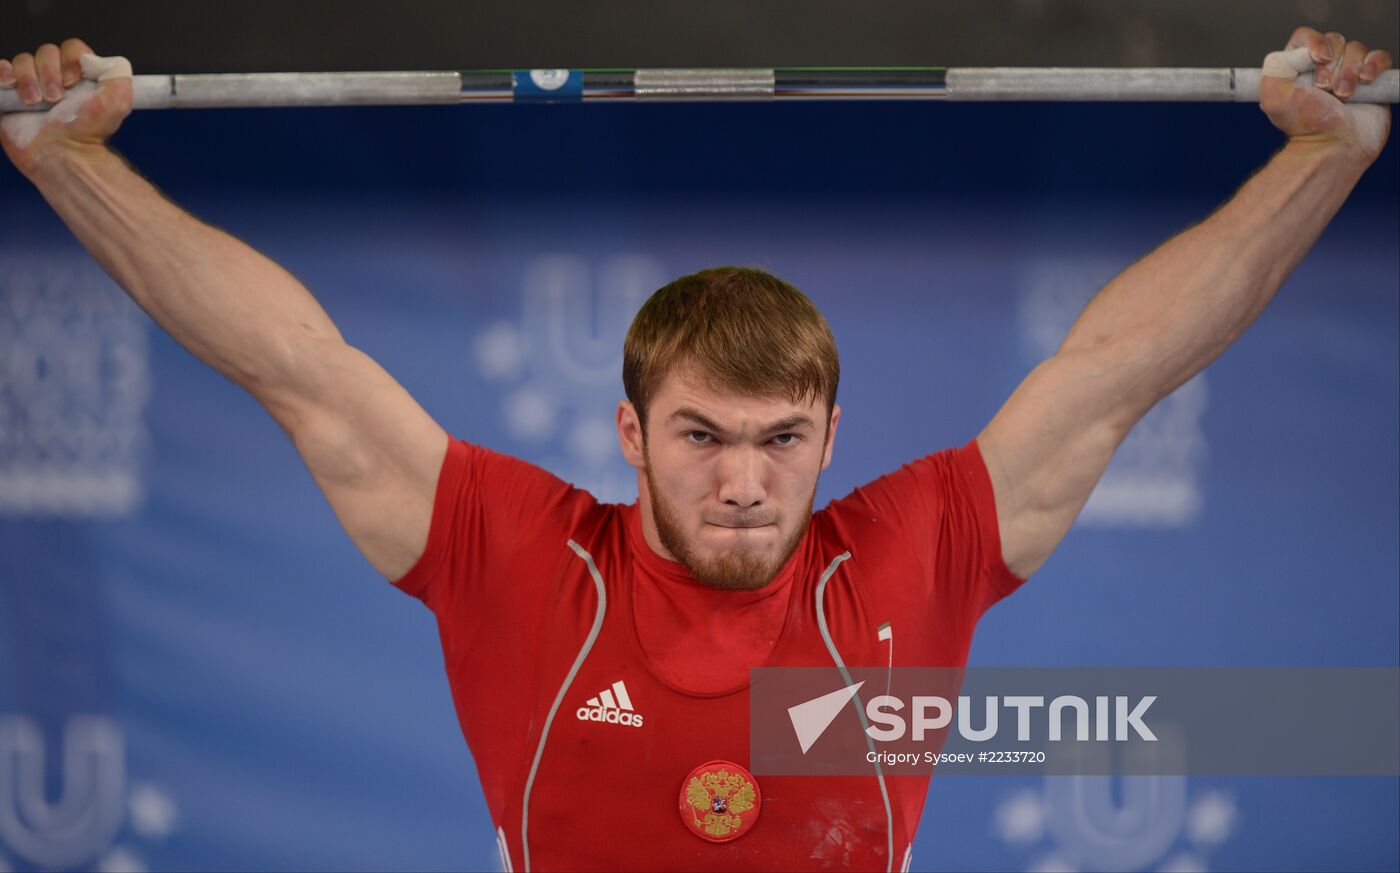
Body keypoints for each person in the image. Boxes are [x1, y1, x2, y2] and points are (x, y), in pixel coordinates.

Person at [0, 27, 1391, 873]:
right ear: (631, 435)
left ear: (835, 433)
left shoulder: (910, 549)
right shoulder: (518, 553)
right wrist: (68, 159)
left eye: (784, 439)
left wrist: (1322, 157)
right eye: (702, 437)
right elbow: (295, 365)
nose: (743, 480)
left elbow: (1118, 370)